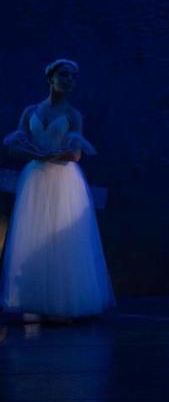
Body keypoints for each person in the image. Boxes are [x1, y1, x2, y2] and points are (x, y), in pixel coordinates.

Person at [1, 59, 114, 321]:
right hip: (35, 177)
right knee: (34, 234)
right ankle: (34, 298)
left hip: (63, 178)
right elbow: (14, 144)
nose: (69, 80)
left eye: (73, 77)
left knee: (61, 238)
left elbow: (76, 154)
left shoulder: (74, 115)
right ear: (50, 77)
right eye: (64, 75)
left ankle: (63, 302)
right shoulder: (30, 111)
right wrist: (34, 153)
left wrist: (53, 156)